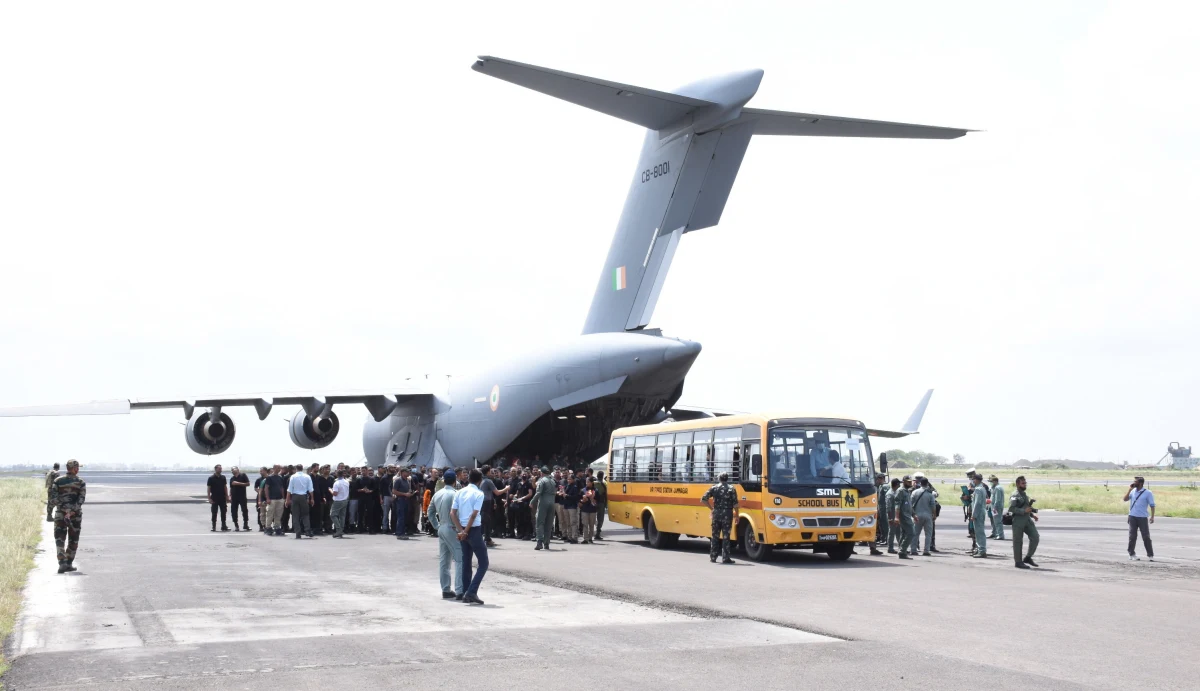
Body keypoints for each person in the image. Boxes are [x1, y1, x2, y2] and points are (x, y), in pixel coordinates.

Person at [452, 469, 488, 605]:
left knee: (466, 562)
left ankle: (467, 592)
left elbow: (452, 513)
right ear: (480, 481)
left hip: (463, 529)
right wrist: (465, 531)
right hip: (473, 530)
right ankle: (471, 592)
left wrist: (461, 531)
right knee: (483, 563)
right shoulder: (479, 493)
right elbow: (473, 515)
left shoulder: (460, 492)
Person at [428, 470, 465, 599]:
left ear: (444, 480)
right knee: (460, 559)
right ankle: (460, 590)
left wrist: (436, 526)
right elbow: (458, 513)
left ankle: (446, 589)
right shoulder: (456, 494)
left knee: (444, 560)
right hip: (452, 527)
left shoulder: (437, 494)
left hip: (442, 527)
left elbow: (430, 512)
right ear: (455, 481)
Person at [49, 459, 86, 573]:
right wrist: (71, 511)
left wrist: (64, 510)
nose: (78, 469)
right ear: (74, 468)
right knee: (73, 539)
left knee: (60, 539)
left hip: (61, 514)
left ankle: (62, 563)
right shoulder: (80, 482)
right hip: (75, 515)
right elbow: (81, 500)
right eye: (77, 467)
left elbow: (53, 499)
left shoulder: (57, 481)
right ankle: (69, 563)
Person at [701, 472, 739, 564]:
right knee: (726, 537)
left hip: (716, 514)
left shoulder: (714, 488)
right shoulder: (731, 489)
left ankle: (713, 557)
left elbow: (703, 499)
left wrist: (712, 508)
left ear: (719, 479)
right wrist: (737, 515)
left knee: (715, 536)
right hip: (727, 514)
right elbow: (736, 504)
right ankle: (726, 558)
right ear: (727, 479)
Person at [1009, 476, 1039, 568]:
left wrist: (1032, 514)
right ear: (1018, 484)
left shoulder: (1024, 494)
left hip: (1027, 520)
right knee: (1018, 541)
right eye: (1023, 483)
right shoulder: (1015, 495)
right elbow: (1011, 508)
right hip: (1018, 521)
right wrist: (1023, 511)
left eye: (1025, 483)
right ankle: (1018, 562)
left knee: (1035, 537)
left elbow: (1025, 507)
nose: (1025, 484)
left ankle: (1028, 557)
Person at [1124, 475, 1155, 561]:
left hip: (1142, 517)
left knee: (1146, 537)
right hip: (1132, 517)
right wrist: (1129, 490)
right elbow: (1125, 499)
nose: (1134, 483)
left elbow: (1152, 505)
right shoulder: (1133, 491)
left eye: (1135, 482)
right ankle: (1131, 553)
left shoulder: (1148, 493)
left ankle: (1150, 555)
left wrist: (1152, 517)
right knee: (1132, 536)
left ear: (1140, 483)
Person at [286, 462, 315, 539]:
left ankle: (298, 532)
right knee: (305, 514)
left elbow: (289, 489)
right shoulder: (307, 476)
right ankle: (307, 530)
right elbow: (311, 489)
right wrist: (312, 498)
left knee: (295, 515)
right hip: (304, 496)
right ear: (302, 469)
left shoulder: (293, 477)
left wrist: (287, 500)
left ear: (296, 469)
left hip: (295, 496)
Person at [532, 466, 556, 550]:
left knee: (540, 522)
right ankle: (546, 543)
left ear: (541, 473)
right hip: (552, 503)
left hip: (543, 503)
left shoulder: (542, 481)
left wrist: (532, 501)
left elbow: (538, 492)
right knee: (548, 524)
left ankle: (539, 542)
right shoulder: (553, 481)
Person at [911, 477, 936, 556]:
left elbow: (910, 504)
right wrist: (934, 515)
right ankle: (926, 550)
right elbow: (933, 506)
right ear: (927, 483)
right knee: (928, 534)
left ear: (920, 484)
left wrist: (912, 514)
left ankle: (913, 550)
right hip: (927, 515)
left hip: (917, 515)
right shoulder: (930, 494)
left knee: (915, 533)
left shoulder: (915, 492)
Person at [891, 475, 914, 559]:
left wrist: (914, 514)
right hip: (903, 516)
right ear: (903, 482)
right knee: (911, 533)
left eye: (910, 481)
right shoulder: (900, 491)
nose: (910, 483)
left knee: (904, 533)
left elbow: (909, 505)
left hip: (907, 515)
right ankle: (902, 550)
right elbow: (897, 505)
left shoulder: (907, 491)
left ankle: (901, 550)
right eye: (908, 481)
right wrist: (897, 517)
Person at [262, 465, 287, 536]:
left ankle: (277, 527)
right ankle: (268, 528)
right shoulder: (269, 477)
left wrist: (283, 498)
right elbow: (266, 488)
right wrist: (267, 498)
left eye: (280, 468)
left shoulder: (280, 477)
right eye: (277, 468)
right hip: (272, 499)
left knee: (278, 514)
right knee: (270, 514)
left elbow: (282, 488)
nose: (279, 469)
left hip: (279, 499)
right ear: (274, 468)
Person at [206, 464, 230, 532]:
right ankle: (214, 526)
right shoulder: (211, 478)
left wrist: (227, 496)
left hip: (222, 497)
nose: (220, 470)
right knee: (214, 512)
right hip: (214, 497)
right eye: (219, 469)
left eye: (221, 469)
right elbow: (209, 488)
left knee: (223, 512)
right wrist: (209, 498)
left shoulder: (223, 477)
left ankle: (224, 526)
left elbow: (225, 487)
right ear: (216, 469)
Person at [969, 473, 988, 558]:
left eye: (974, 479)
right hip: (981, 512)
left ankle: (982, 550)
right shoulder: (982, 488)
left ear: (976, 480)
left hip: (978, 513)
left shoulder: (978, 489)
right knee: (978, 532)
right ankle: (979, 549)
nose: (973, 481)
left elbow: (977, 503)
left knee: (979, 532)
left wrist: (974, 515)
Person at [480, 465, 499, 547]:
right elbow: (497, 492)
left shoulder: (481, 480)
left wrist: (494, 501)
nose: (492, 473)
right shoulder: (488, 481)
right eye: (491, 472)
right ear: (487, 472)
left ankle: (487, 538)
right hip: (486, 502)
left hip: (484, 502)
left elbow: (490, 493)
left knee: (486, 520)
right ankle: (484, 539)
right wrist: (506, 488)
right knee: (485, 520)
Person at [393, 467, 414, 540]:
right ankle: (399, 533)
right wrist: (405, 494)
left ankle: (403, 532)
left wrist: (410, 494)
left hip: (406, 500)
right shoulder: (398, 480)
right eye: (407, 472)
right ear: (402, 472)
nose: (408, 473)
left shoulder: (407, 481)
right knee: (401, 517)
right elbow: (394, 491)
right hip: (400, 500)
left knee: (405, 517)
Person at [870, 473, 888, 556]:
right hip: (870, 510)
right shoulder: (872, 487)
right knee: (872, 529)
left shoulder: (880, 487)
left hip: (875, 510)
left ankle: (873, 548)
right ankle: (873, 548)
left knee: (872, 529)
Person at [229, 465, 251, 531]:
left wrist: (238, 483)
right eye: (232, 470)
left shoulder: (243, 475)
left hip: (242, 496)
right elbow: (231, 487)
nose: (233, 471)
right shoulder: (232, 478)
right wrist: (230, 496)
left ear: (238, 469)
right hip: (234, 497)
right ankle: (236, 525)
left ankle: (245, 524)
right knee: (234, 511)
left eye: (234, 469)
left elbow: (248, 484)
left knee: (244, 510)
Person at [330, 469, 351, 538]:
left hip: (338, 501)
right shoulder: (346, 482)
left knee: (333, 515)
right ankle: (341, 530)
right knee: (342, 516)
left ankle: (338, 529)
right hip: (345, 500)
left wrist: (330, 490)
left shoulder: (336, 483)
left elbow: (335, 493)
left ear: (337, 474)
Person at [562, 476, 580, 544]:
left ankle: (574, 537)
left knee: (573, 523)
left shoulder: (574, 487)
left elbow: (575, 497)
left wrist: (567, 495)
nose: (569, 480)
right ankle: (569, 537)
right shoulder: (566, 486)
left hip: (572, 506)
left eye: (570, 479)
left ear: (573, 480)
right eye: (568, 479)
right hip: (566, 506)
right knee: (568, 522)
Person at [580, 477, 599, 543]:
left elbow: (598, 501)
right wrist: (583, 500)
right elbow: (580, 500)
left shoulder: (596, 490)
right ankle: (585, 538)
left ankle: (590, 538)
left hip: (592, 510)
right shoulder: (583, 490)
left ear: (592, 482)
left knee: (591, 525)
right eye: (586, 482)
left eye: (588, 482)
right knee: (585, 524)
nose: (587, 483)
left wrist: (592, 498)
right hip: (585, 509)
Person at [988, 475, 1006, 540]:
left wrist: (994, 508)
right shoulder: (994, 487)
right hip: (994, 506)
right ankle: (996, 533)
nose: (990, 483)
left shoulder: (998, 488)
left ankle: (1000, 535)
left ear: (995, 481)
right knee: (995, 521)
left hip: (996, 507)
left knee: (998, 521)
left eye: (991, 481)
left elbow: (997, 500)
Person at [885, 478, 900, 554]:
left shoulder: (895, 492)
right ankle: (890, 548)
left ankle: (901, 547)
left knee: (898, 532)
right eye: (898, 484)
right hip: (892, 515)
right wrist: (890, 518)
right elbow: (888, 507)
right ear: (896, 484)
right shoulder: (890, 494)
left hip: (896, 515)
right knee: (892, 532)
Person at [594, 470, 608, 540]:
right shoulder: (605, 484)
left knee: (592, 517)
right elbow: (606, 494)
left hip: (593, 502)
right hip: (601, 502)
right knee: (600, 519)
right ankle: (597, 533)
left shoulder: (593, 483)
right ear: (602, 476)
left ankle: (590, 532)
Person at [254, 467, 269, 532]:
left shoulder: (269, 479)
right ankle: (261, 526)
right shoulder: (259, 480)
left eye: (262, 471)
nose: (260, 472)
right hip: (261, 498)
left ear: (266, 471)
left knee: (269, 512)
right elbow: (255, 488)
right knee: (261, 512)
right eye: (260, 471)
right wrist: (261, 492)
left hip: (269, 498)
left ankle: (268, 526)